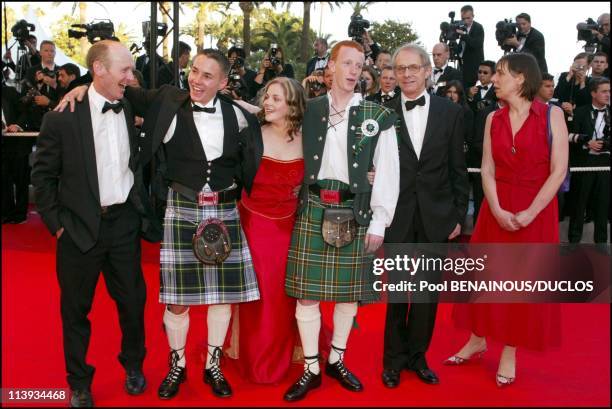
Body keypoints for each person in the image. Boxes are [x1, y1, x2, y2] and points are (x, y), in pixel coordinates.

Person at [31, 40, 161, 408]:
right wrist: (57, 225)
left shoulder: (131, 101)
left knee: (133, 304)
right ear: (99, 69)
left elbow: (171, 98)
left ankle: (134, 366)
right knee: (75, 310)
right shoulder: (61, 117)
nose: (131, 77)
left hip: (124, 224)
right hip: (78, 229)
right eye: (125, 70)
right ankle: (79, 383)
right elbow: (43, 178)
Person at [283, 40, 400, 402]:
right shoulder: (309, 110)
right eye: (346, 63)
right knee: (307, 297)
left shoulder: (375, 116)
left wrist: (380, 221)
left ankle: (337, 358)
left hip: (357, 211)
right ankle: (312, 368)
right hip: (313, 208)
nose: (353, 71)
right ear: (330, 67)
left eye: (359, 65)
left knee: (349, 296)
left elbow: (389, 172)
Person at [447, 52, 567, 387]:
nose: (494, 79)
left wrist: (529, 212)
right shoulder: (492, 118)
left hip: (536, 211)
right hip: (496, 208)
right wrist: (497, 209)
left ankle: (510, 351)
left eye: (500, 74)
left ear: (520, 78)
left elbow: (558, 171)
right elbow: (487, 168)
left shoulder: (551, 115)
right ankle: (477, 338)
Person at [381, 44, 469, 389]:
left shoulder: (451, 112)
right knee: (400, 291)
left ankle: (418, 357)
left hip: (437, 215)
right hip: (398, 215)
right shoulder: (382, 112)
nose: (407, 74)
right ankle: (392, 361)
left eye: (413, 68)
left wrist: (459, 215)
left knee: (427, 294)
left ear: (427, 70)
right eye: (400, 69)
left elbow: (458, 170)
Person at [230, 77, 306, 384]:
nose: (269, 103)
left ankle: (285, 353)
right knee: (261, 294)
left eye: (277, 99)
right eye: (268, 97)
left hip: (291, 225)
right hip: (254, 224)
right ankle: (257, 361)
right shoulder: (251, 135)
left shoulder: (309, 139)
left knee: (286, 295)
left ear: (293, 106)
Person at [567, 78, 610, 243]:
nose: (608, 95)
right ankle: (572, 244)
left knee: (602, 206)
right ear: (593, 93)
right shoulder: (580, 112)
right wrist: (586, 142)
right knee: (579, 204)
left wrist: (605, 145)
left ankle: (601, 246)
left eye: (609, 91)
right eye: (604, 91)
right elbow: (568, 136)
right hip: (584, 164)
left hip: (605, 165)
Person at [445, 80, 475, 181]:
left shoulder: (467, 112)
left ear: (460, 95)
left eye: (455, 92)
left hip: (460, 153)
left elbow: (469, 135)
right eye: (449, 92)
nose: (451, 95)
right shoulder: (440, 110)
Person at [458, 5, 485, 89]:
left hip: (475, 67)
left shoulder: (478, 27)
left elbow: (476, 44)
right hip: (462, 65)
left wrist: (464, 35)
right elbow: (461, 47)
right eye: (463, 19)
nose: (466, 21)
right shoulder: (461, 27)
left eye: (468, 18)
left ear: (473, 16)